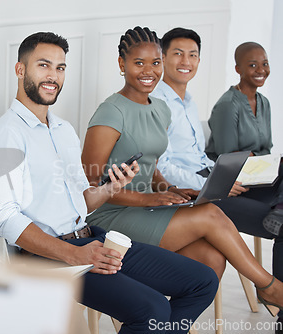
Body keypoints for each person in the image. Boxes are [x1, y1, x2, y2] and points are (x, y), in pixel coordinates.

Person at [0, 31, 218, 334]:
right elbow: (3, 218)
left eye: (60, 67)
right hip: (48, 257)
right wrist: (74, 254)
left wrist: (110, 188)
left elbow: (83, 200)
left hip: (91, 237)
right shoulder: (4, 136)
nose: (53, 76)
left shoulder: (63, 130)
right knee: (153, 309)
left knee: (202, 280)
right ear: (20, 70)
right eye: (43, 65)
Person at [81, 26, 283, 313]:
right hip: (111, 215)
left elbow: (148, 165)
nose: (148, 71)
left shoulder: (160, 109)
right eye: (139, 63)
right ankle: (271, 288)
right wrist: (146, 198)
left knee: (211, 258)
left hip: (147, 207)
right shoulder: (110, 112)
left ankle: (163, 328)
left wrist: (167, 189)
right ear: (121, 64)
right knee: (212, 213)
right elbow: (88, 186)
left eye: (155, 63)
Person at [151, 28, 283, 324]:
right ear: (162, 57)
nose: (187, 61)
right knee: (281, 227)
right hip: (195, 192)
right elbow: (163, 165)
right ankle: (275, 296)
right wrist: (212, 183)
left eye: (193, 55)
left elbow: (200, 157)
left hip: (214, 178)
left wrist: (227, 173)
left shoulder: (188, 101)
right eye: (178, 54)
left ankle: (279, 209)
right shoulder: (156, 104)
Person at [205, 41, 283, 239]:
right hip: (232, 181)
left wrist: (255, 156)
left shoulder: (264, 103)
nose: (261, 70)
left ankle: (280, 208)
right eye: (252, 65)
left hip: (257, 173)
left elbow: (267, 148)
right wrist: (258, 157)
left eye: (265, 64)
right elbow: (228, 158)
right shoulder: (228, 105)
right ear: (238, 69)